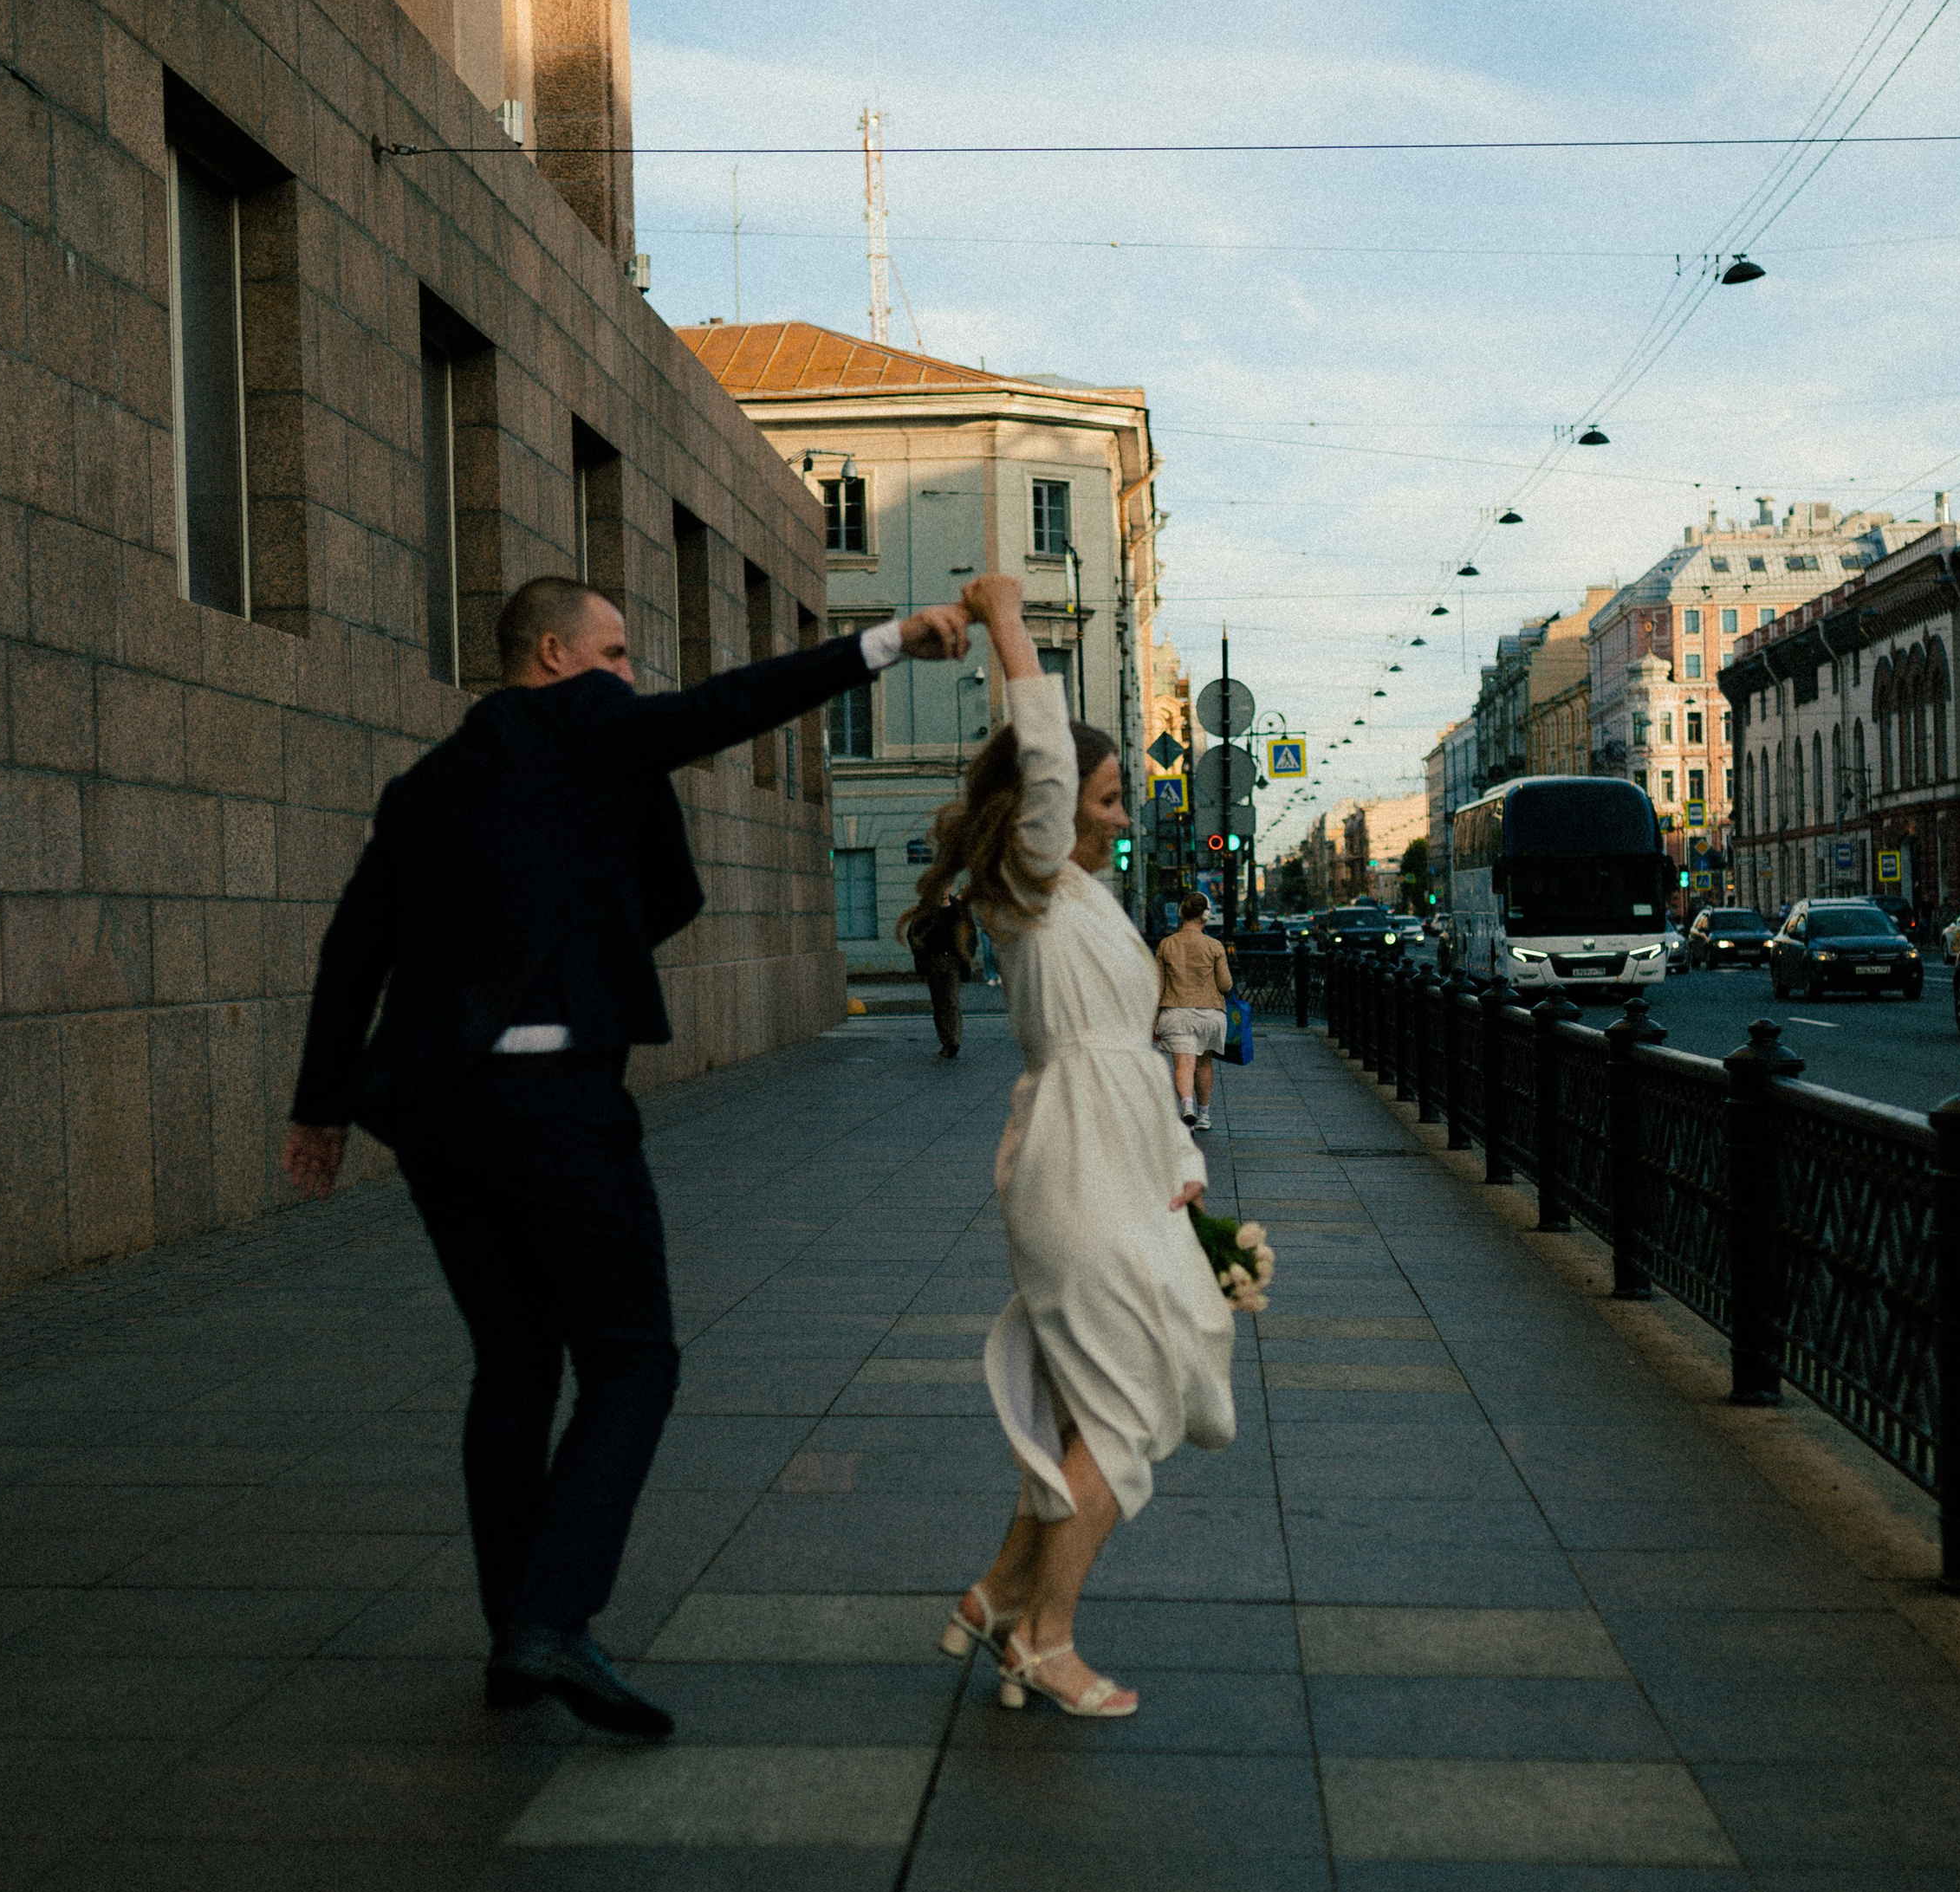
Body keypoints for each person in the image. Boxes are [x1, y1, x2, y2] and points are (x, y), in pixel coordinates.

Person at [282, 574, 968, 1736]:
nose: (631, 677)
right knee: (632, 1361)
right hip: (554, 1104)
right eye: (615, 654)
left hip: (440, 1114)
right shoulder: (588, 724)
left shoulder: (424, 787)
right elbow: (724, 709)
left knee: (511, 1361)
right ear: (551, 654)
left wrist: (320, 1105)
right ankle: (552, 1614)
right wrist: (893, 639)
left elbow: (356, 946)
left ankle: (514, 1633)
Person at [925, 573, 1264, 1721]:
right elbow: (1048, 759)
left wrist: (1190, 1190)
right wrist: (1006, 617)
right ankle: (1045, 1639)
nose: (1120, 812)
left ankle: (996, 1600)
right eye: (1106, 794)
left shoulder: (1078, 891)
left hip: (1117, 1164)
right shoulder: (1028, 880)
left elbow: (1140, 1051)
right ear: (1053, 802)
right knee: (1119, 1425)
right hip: (1075, 1169)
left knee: (1098, 1414)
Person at [1154, 891, 1232, 1131]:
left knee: (1183, 1064)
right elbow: (1225, 985)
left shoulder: (1167, 945)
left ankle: (1186, 1107)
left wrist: (1152, 1022)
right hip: (1210, 1014)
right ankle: (1204, 1114)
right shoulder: (1215, 946)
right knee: (1204, 1063)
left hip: (1176, 1013)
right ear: (1206, 916)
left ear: (1182, 914)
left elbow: (1158, 986)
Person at [900, 884, 977, 1059]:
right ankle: (946, 1040)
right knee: (939, 1003)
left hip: (953, 962)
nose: (943, 890)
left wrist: (967, 955)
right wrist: (922, 958)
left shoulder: (959, 911)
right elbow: (913, 934)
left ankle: (954, 1041)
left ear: (950, 888)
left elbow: (971, 934)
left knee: (952, 1000)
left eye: (947, 886)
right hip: (933, 961)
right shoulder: (927, 910)